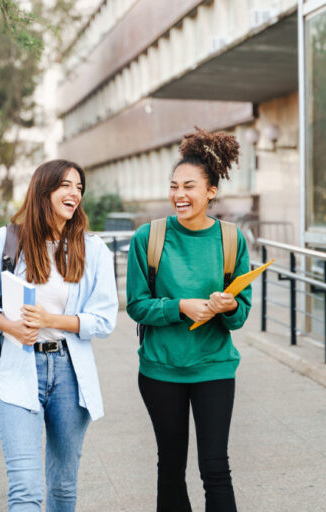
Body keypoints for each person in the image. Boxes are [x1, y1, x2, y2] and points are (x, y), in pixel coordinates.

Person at [0, 159, 118, 512]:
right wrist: (12, 326)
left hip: (69, 372)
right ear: (44, 189)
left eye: (79, 187)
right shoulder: (6, 241)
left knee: (63, 489)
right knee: (25, 490)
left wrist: (54, 319)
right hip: (19, 369)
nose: (75, 193)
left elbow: (104, 320)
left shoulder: (93, 249)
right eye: (66, 185)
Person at [126, 128, 251, 512]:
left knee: (216, 468)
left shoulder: (232, 239)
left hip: (214, 368)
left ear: (211, 191)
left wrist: (228, 306)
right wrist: (180, 306)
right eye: (174, 186)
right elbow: (136, 304)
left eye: (190, 186)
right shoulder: (149, 237)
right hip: (161, 370)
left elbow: (241, 313)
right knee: (170, 468)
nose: (179, 194)